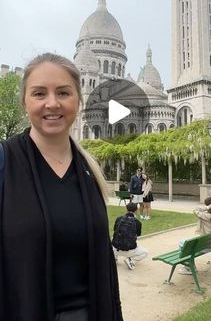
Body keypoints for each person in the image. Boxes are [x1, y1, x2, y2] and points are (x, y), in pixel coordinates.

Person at [0, 53, 123, 321]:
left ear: (79, 100)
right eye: (39, 93)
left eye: (64, 93)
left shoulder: (89, 170)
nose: (52, 104)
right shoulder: (4, 162)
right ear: (25, 102)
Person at [179, 196, 211, 275]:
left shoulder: (208, 216)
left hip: (206, 246)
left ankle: (189, 267)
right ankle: (189, 266)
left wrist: (207, 207)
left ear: (210, 205)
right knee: (186, 244)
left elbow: (195, 210)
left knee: (182, 243)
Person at [112, 202, 148, 270]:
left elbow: (114, 230)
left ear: (126, 209)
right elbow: (138, 234)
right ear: (136, 210)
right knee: (146, 252)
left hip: (115, 248)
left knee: (114, 239)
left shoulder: (118, 218)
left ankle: (114, 258)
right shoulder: (137, 222)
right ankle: (131, 260)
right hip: (129, 250)